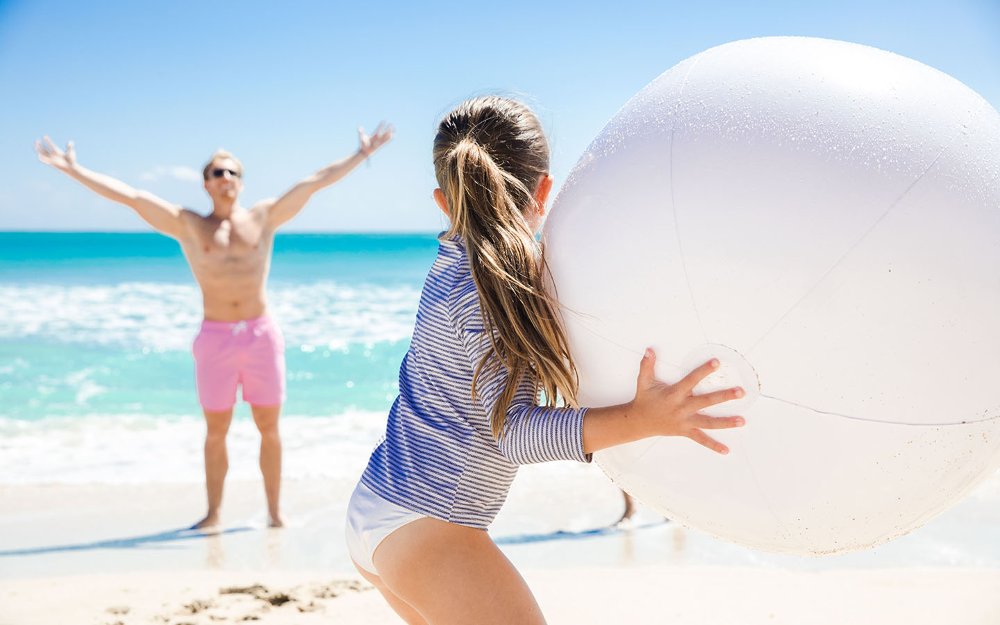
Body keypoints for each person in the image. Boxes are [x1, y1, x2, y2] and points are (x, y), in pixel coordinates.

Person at [344, 96, 744, 624]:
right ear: (545, 191)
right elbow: (514, 433)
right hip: (426, 522)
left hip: (381, 508)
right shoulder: (491, 290)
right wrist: (644, 419)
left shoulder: (455, 269)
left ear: (444, 201)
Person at [35, 125, 393, 529]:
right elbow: (131, 198)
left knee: (269, 428)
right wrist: (74, 171)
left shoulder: (263, 217)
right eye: (217, 173)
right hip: (215, 338)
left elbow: (313, 184)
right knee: (216, 430)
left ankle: (276, 513)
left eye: (232, 173)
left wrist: (360, 155)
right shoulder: (188, 224)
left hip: (260, 335)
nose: (225, 179)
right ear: (205, 183)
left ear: (241, 182)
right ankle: (213, 513)